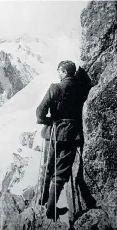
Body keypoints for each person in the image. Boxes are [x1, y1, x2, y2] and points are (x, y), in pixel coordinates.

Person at [36, 60, 96, 220]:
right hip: (71, 135)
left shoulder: (55, 88)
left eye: (59, 71)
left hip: (53, 132)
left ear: (63, 72)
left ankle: (41, 202)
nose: (58, 73)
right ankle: (50, 209)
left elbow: (40, 112)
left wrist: (46, 120)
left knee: (47, 168)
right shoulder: (81, 89)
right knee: (61, 173)